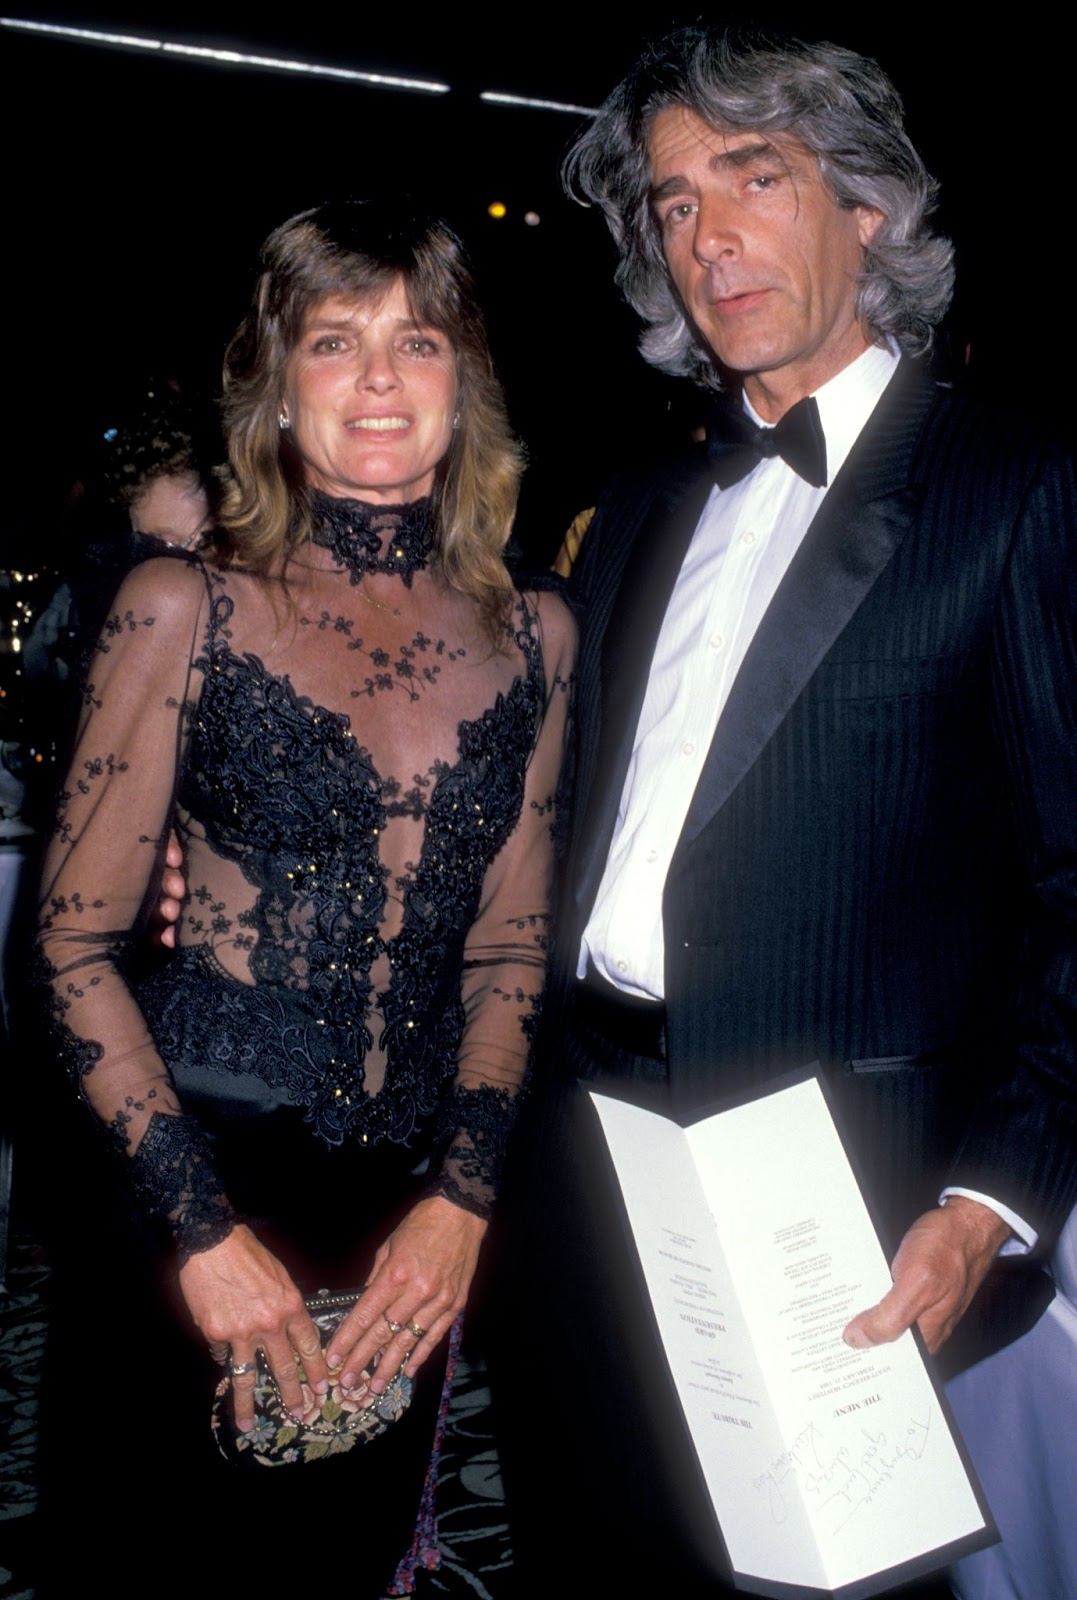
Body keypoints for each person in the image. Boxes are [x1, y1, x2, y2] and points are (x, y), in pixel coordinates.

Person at [496, 24, 1076, 1594]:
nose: (709, 235)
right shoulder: (638, 509)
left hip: (852, 1202)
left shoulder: (1019, 486)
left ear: (867, 210)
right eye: (673, 203)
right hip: (592, 1170)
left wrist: (986, 1201)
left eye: (755, 176)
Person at [34, 199, 574, 1598]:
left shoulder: (536, 634)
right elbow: (70, 946)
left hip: (398, 1218)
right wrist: (201, 1235)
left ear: (467, 388)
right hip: (187, 1187)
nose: (382, 380)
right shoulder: (186, 605)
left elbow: (513, 949)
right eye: (337, 343)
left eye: (420, 342)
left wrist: (461, 1200)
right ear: (280, 390)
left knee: (337, 1569)